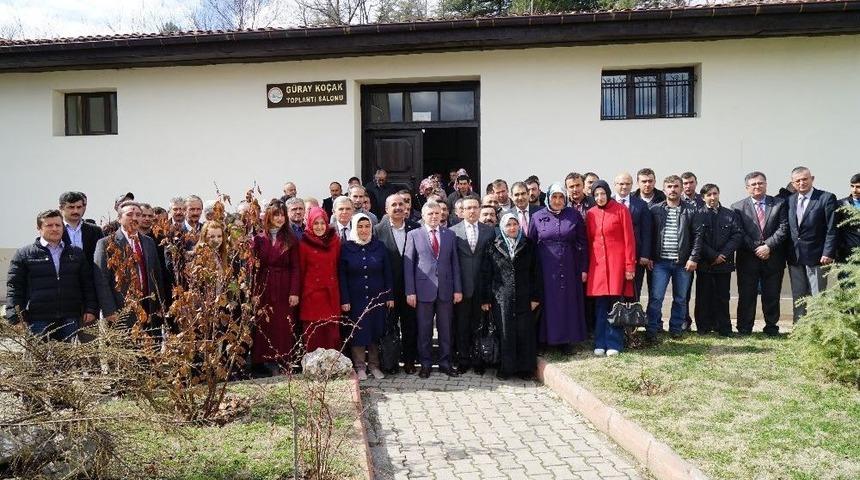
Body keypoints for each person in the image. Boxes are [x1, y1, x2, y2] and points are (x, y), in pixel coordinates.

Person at [6, 209, 98, 341]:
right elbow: (14, 287)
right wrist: (16, 317)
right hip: (38, 319)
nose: (55, 229)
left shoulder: (76, 253)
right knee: (40, 359)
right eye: (49, 225)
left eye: (58, 225)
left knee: (70, 359)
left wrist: (90, 309)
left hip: (70, 317)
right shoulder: (24, 254)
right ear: (39, 228)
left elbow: (87, 284)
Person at [404, 200, 463, 378]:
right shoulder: (414, 234)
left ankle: (445, 363)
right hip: (423, 291)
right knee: (424, 330)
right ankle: (426, 364)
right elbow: (409, 265)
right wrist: (410, 291)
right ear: (423, 216)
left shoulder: (449, 235)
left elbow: (455, 264)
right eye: (430, 214)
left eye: (437, 213)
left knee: (446, 329)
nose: (434, 216)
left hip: (446, 289)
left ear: (442, 215)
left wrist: (458, 289)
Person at [529, 183, 588, 353]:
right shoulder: (537, 216)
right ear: (548, 198)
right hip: (545, 268)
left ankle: (565, 341)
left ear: (565, 198)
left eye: (561, 197)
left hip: (570, 267)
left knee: (566, 303)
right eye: (554, 197)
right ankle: (543, 341)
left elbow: (583, 243)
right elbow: (531, 244)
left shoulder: (574, 215)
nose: (557, 200)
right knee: (546, 303)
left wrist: (584, 268)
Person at [480, 213, 541, 379]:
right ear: (502, 227)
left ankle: (525, 369)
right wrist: (485, 299)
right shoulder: (493, 245)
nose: (512, 228)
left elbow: (536, 272)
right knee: (505, 333)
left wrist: (535, 297)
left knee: (524, 333)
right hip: (501, 297)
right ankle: (506, 369)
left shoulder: (528, 244)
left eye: (515, 224)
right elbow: (487, 273)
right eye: (508, 225)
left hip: (524, 296)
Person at [731, 171, 789, 336]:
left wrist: (768, 246)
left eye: (760, 183)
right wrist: (758, 248)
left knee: (771, 294)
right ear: (747, 188)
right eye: (753, 184)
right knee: (747, 295)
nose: (757, 186)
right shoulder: (737, 207)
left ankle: (771, 327)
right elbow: (739, 232)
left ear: (766, 184)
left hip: (773, 257)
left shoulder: (779, 203)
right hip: (748, 258)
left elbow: (783, 228)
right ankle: (744, 327)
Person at [93, 201, 165, 332]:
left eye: (138, 214)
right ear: (120, 218)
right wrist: (109, 310)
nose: (135, 218)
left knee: (151, 350)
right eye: (130, 214)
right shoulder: (106, 244)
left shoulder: (148, 242)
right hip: (121, 311)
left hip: (148, 308)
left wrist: (160, 304)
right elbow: (101, 280)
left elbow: (157, 274)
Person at [645, 176, 701, 341]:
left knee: (681, 298)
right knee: (656, 298)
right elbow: (649, 235)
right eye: (669, 186)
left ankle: (676, 328)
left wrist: (693, 258)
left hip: (683, 263)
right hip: (660, 262)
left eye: (676, 186)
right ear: (664, 189)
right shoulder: (655, 210)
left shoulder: (691, 211)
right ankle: (652, 328)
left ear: (681, 189)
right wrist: (648, 256)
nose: (673, 189)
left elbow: (698, 236)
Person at [339, 213, 393, 380]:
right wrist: (345, 299)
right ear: (354, 228)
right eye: (360, 226)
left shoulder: (380, 246)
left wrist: (389, 296)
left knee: (376, 331)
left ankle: (375, 366)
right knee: (358, 332)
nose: (364, 230)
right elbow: (342, 276)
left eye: (367, 226)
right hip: (356, 299)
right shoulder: (346, 248)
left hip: (377, 298)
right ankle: (360, 367)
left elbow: (388, 273)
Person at [585, 180, 636, 356]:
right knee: (599, 306)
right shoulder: (590, 214)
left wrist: (629, 266)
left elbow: (629, 240)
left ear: (608, 193)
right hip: (598, 267)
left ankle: (614, 342)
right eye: (596, 194)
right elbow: (588, 241)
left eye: (602, 194)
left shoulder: (621, 210)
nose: (600, 197)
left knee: (616, 305)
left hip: (617, 266)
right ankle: (600, 342)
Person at [251, 202, 300, 374]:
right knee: (266, 323)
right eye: (276, 215)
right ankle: (266, 361)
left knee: (284, 324)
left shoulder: (291, 238)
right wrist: (255, 292)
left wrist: (294, 291)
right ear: (269, 216)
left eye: (282, 215)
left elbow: (296, 267)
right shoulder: (258, 239)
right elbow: (254, 268)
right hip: (265, 286)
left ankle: (284, 358)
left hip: (284, 285)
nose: (279, 218)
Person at [374, 193, 421, 374]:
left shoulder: (415, 228)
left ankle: (409, 361)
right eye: (394, 205)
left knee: (410, 326)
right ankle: (391, 363)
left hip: (411, 289)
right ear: (386, 209)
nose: (398, 208)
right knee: (390, 328)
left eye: (401, 204)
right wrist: (386, 293)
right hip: (389, 290)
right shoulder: (378, 230)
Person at [786, 166, 838, 321]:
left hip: (818, 256)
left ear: (812, 179)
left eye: (805, 179)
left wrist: (828, 252)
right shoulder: (789, 200)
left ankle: (817, 328)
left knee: (817, 294)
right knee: (798, 294)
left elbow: (832, 228)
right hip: (795, 256)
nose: (802, 183)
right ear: (793, 183)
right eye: (798, 180)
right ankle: (800, 327)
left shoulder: (826, 198)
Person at [450, 197, 494, 374]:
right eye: (468, 208)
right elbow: (452, 263)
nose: (472, 211)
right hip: (462, 288)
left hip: (482, 288)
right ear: (461, 211)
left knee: (480, 325)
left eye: (476, 207)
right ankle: (463, 360)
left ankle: (479, 361)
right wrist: (456, 288)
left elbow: (491, 264)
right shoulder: (453, 232)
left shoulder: (490, 232)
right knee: (462, 326)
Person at [692, 184, 742, 336]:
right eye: (709, 195)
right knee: (703, 296)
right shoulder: (697, 213)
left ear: (719, 194)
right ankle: (703, 327)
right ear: (703, 197)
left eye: (715, 194)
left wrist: (723, 255)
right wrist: (713, 255)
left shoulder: (730, 214)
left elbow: (737, 235)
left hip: (724, 264)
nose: (712, 197)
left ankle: (724, 327)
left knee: (722, 296)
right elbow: (696, 238)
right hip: (705, 263)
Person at [298, 207, 342, 352]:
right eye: (316, 223)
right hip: (312, 296)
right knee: (313, 334)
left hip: (330, 294)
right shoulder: (304, 244)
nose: (319, 227)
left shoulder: (335, 241)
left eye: (322, 223)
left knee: (331, 333)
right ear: (310, 223)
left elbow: (337, 265)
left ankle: (332, 367)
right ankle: (313, 369)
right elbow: (301, 271)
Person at [612, 173, 652, 303]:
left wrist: (645, 254)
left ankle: (630, 321)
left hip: (636, 256)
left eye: (627, 184)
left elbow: (647, 232)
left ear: (632, 185)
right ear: (615, 185)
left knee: (634, 291)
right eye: (621, 184)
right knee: (615, 291)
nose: (624, 187)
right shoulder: (608, 203)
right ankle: (615, 320)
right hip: (614, 257)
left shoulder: (640, 205)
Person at [59, 191, 104, 265]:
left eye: (79, 207)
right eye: (71, 207)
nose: (76, 211)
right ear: (61, 208)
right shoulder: (54, 230)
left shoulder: (95, 231)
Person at [836, 173, 860, 263]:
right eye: (852, 186)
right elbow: (834, 228)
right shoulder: (841, 204)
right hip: (847, 254)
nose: (854, 190)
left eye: (858, 187)